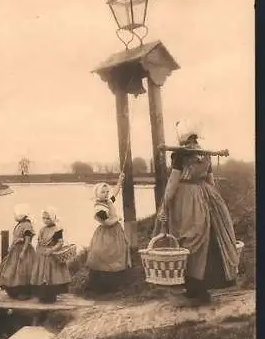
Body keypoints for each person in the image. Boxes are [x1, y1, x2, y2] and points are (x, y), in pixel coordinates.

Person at [153, 119, 239, 305]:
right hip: (205, 193)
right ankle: (203, 287)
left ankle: (193, 288)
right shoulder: (204, 154)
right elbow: (210, 180)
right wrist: (215, 202)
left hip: (186, 197)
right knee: (205, 236)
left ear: (182, 137)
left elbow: (173, 183)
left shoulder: (180, 155)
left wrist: (165, 206)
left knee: (186, 237)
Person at [86, 173, 132, 293]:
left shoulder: (107, 202)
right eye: (103, 192)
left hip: (115, 232)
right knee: (104, 254)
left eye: (107, 192)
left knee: (117, 253)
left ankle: (115, 283)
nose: (106, 194)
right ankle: (102, 285)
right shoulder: (99, 208)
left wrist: (119, 181)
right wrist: (118, 218)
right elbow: (106, 223)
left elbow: (114, 194)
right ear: (97, 194)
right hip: (106, 233)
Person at [30, 206, 71, 303]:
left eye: (48, 218)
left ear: (53, 218)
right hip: (42, 255)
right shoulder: (42, 229)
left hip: (51, 256)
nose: (45, 220)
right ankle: (42, 295)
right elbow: (39, 241)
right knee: (41, 275)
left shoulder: (57, 229)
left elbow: (60, 243)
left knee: (52, 276)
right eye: (43, 218)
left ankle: (51, 296)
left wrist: (52, 250)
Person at [0, 203, 35, 300]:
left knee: (22, 272)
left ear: (21, 215)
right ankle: (13, 290)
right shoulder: (20, 224)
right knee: (10, 270)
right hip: (15, 251)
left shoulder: (27, 225)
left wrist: (23, 251)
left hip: (23, 252)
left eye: (15, 215)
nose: (14, 217)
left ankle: (24, 292)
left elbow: (28, 239)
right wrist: (12, 247)